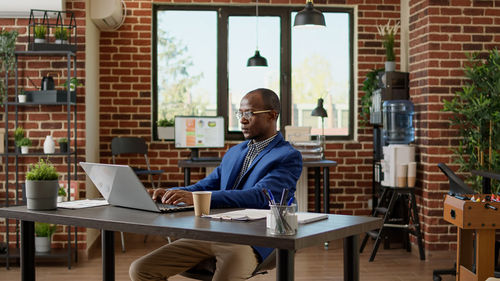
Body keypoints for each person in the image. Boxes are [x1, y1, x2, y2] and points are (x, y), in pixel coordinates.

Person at [129, 88, 302, 281]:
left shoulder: (287, 156)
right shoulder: (235, 152)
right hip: (216, 232)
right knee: (141, 269)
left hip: (252, 240)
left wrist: (196, 198)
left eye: (249, 114)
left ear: (272, 115)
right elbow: (206, 185)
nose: (242, 120)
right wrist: (170, 193)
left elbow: (260, 196)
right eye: (240, 113)